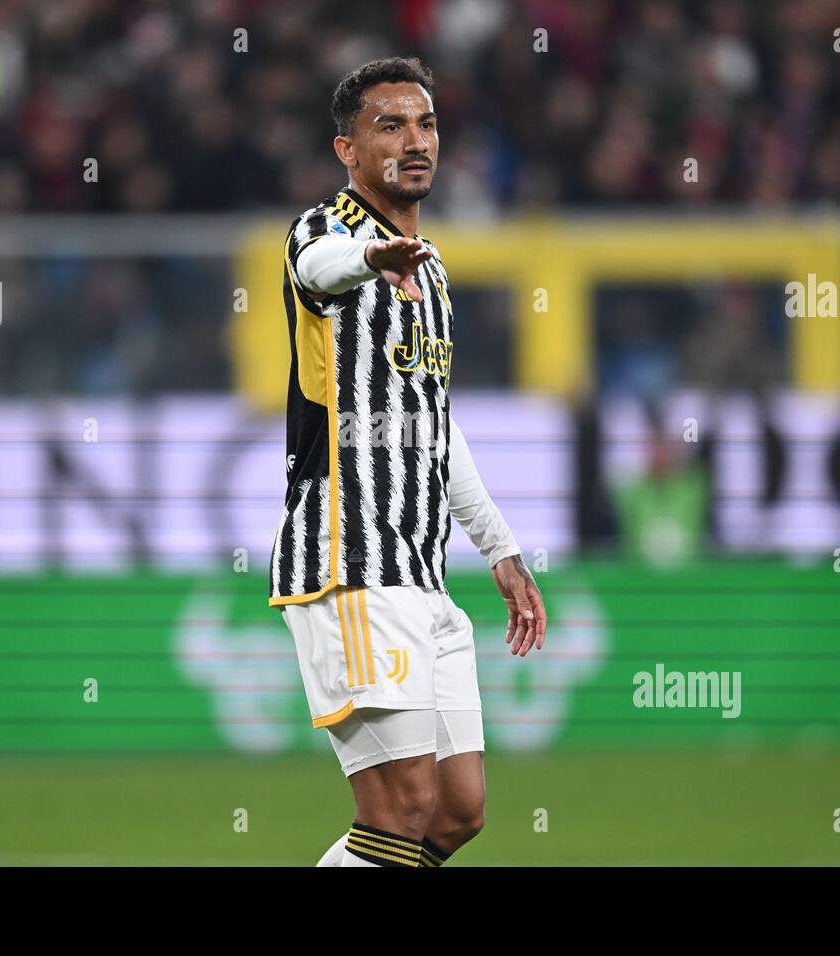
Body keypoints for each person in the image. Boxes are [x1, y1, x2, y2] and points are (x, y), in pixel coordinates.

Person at [267, 57, 548, 867]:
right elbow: (320, 271)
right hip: (349, 556)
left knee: (456, 812)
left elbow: (436, 425)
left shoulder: (435, 273)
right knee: (399, 809)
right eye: (389, 125)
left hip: (421, 573)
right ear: (347, 150)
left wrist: (498, 548)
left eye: (425, 124)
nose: (414, 141)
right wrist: (369, 261)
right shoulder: (324, 232)